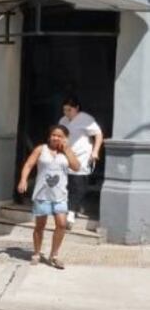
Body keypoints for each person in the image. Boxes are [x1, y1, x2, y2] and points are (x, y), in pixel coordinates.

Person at [17, 124, 80, 270]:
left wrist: (67, 150)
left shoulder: (66, 152)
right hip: (42, 194)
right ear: (49, 136)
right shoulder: (41, 149)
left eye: (60, 136)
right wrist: (23, 180)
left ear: (65, 138)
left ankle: (54, 255)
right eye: (54, 135)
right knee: (40, 226)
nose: (56, 138)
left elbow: (76, 167)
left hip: (60, 195)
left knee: (62, 224)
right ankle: (37, 253)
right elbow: (28, 165)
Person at [57, 95, 103, 229]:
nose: (67, 113)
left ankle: (71, 213)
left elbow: (98, 134)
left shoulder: (85, 119)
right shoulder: (63, 120)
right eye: (64, 110)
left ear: (76, 108)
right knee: (66, 184)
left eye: (69, 110)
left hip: (82, 157)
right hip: (66, 156)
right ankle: (70, 208)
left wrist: (95, 151)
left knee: (79, 185)